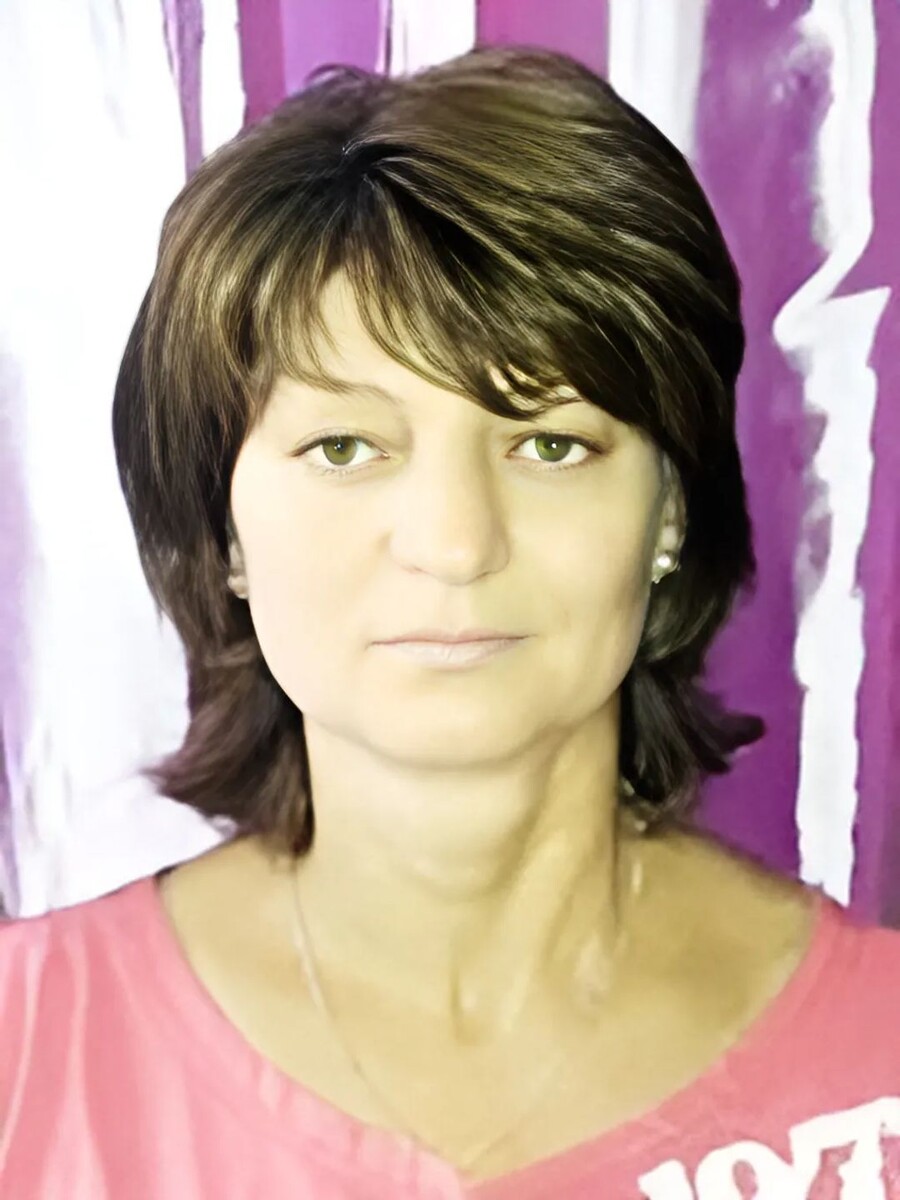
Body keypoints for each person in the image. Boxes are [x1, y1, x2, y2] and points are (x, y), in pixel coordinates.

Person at [1, 44, 899, 1200]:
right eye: (345, 448)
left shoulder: (878, 1066)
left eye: (549, 444)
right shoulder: (24, 1053)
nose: (456, 542)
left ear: (669, 510)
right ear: (221, 529)